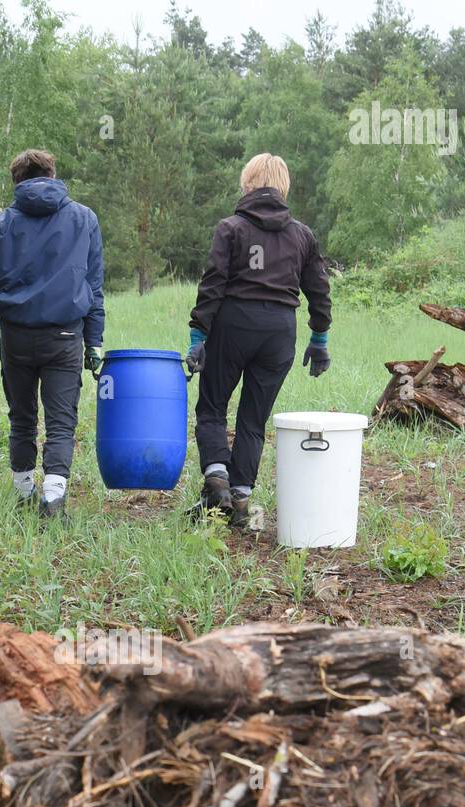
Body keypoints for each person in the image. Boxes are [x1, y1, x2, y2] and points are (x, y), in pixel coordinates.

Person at [0, 149, 105, 519]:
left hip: (16, 337)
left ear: (17, 181)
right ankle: (52, 500)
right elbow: (94, 285)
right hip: (66, 335)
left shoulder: (1, 223)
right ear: (52, 175)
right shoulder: (85, 219)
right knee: (61, 420)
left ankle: (23, 493)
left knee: (22, 417)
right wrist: (95, 340)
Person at [186, 153, 332, 529]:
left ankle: (216, 477)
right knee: (253, 418)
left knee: (213, 405)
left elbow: (213, 284)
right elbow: (319, 290)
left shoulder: (230, 228)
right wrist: (319, 339)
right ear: (283, 187)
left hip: (234, 324)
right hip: (279, 331)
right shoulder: (302, 235)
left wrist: (197, 336)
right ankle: (240, 498)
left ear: (247, 184)